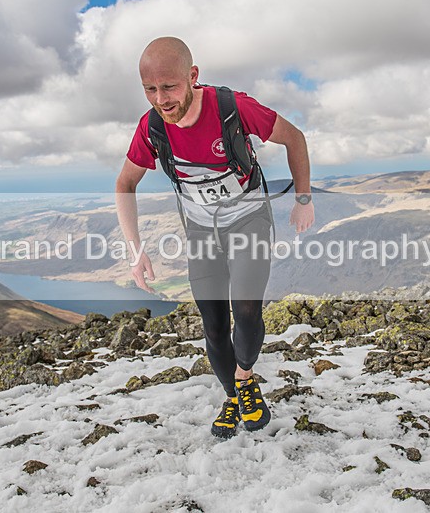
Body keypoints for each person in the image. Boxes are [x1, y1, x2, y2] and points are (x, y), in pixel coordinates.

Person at [115, 37, 314, 438]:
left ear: (192, 76)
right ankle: (232, 396)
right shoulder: (152, 128)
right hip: (202, 231)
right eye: (150, 89)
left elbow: (294, 137)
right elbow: (125, 184)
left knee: (246, 310)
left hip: (248, 220)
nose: (161, 99)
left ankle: (244, 379)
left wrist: (303, 199)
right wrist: (135, 251)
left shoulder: (232, 108)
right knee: (214, 325)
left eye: (169, 87)